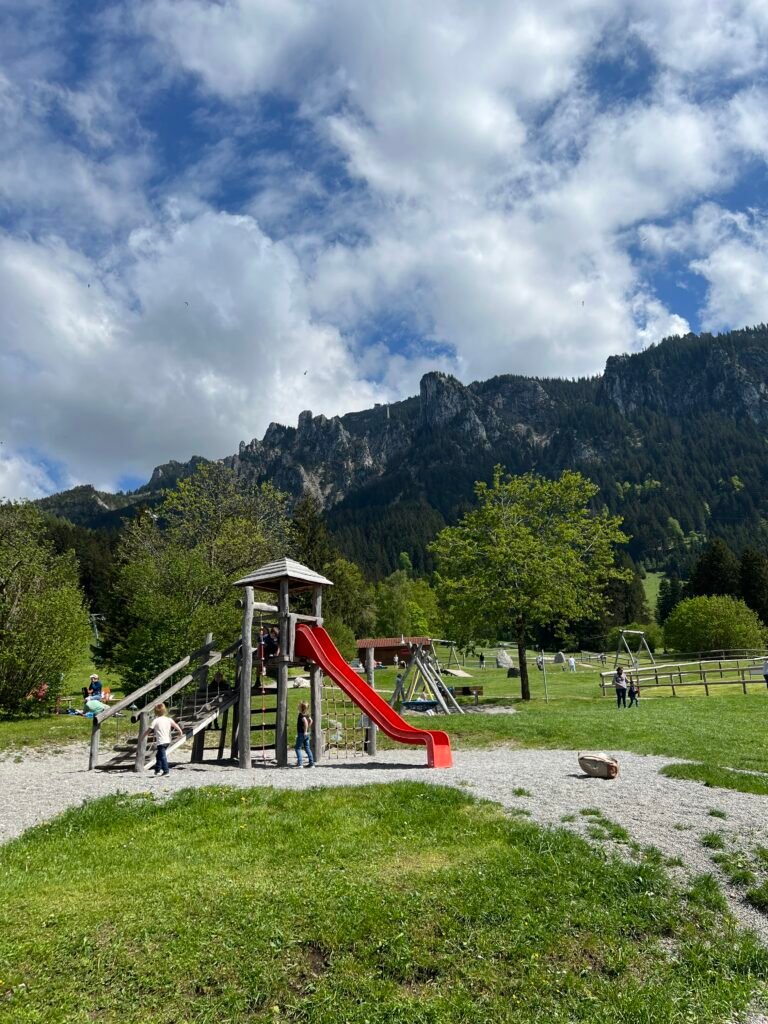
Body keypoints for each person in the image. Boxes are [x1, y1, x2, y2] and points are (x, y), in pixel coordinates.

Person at [144, 703, 183, 777]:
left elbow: (149, 729)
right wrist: (180, 731)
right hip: (167, 741)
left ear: (155, 712)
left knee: (162, 756)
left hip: (161, 742)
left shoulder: (156, 720)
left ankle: (166, 771)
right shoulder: (169, 719)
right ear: (165, 710)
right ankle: (157, 770)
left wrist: (144, 735)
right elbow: (175, 725)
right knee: (158, 755)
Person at [295, 701, 314, 767]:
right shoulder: (307, 714)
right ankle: (311, 763)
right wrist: (308, 728)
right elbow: (311, 720)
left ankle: (300, 763)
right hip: (307, 734)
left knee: (298, 748)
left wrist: (305, 730)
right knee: (307, 748)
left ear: (301, 708)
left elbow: (305, 722)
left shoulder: (301, 715)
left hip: (302, 733)